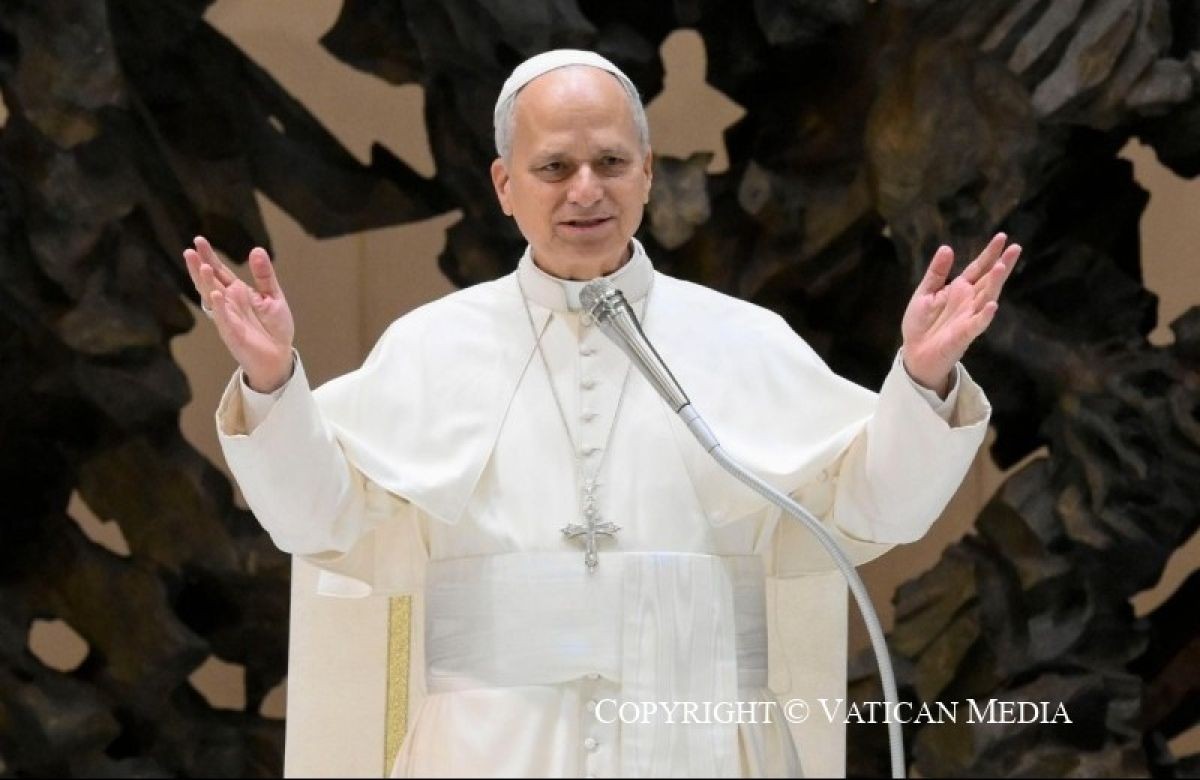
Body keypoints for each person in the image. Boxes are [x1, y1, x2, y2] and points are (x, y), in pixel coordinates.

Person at [183, 49, 1015, 778]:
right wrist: (272, 380)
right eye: (554, 168)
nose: (587, 190)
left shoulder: (745, 340)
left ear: (647, 173)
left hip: (704, 745)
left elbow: (879, 509)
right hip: (489, 749)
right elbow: (317, 520)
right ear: (505, 186)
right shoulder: (431, 346)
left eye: (611, 162)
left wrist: (922, 377)